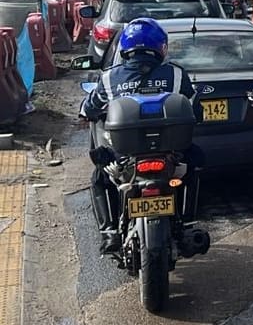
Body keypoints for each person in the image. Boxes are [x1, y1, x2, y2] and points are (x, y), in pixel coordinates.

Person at [80, 17, 204, 254]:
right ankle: (188, 224)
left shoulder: (109, 77)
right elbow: (195, 109)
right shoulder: (176, 75)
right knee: (193, 168)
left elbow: (90, 109)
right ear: (161, 47)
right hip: (171, 154)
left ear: (126, 47)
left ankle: (109, 233)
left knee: (99, 177)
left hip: (124, 156)